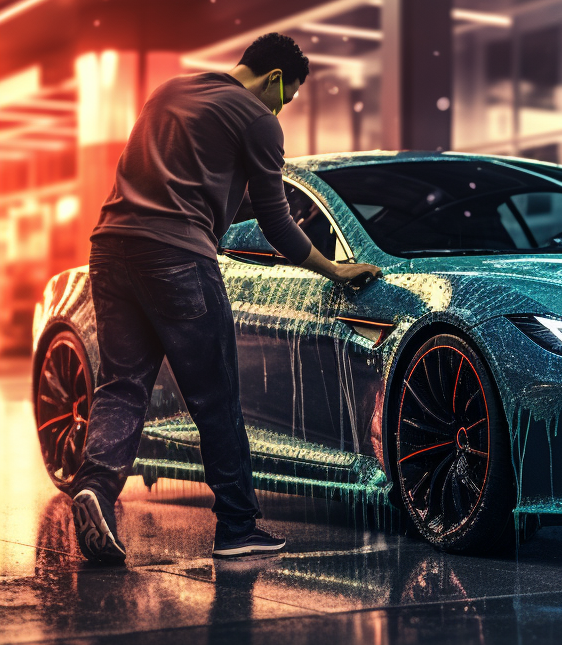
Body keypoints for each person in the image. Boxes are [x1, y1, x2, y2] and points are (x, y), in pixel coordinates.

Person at [69, 32, 380, 565]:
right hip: (179, 258)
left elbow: (173, 181)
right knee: (216, 397)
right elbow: (277, 220)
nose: (286, 107)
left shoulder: (168, 93)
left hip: (110, 248)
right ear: (275, 78)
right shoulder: (258, 119)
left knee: (122, 387)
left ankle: (95, 488)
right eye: (290, 95)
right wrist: (332, 267)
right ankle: (238, 528)